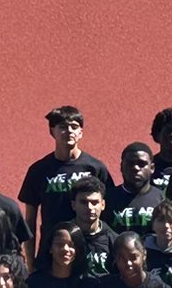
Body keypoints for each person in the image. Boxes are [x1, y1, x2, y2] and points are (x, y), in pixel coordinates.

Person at [19, 106, 111, 258]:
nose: (69, 131)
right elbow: (30, 220)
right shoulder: (39, 170)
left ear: (80, 132)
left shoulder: (95, 168)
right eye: (62, 127)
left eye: (74, 127)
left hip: (88, 249)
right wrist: (30, 260)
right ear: (52, 131)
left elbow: (107, 212)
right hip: (51, 250)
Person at [109, 143, 165, 235]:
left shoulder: (161, 200)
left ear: (152, 168)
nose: (135, 168)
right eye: (130, 164)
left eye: (142, 164)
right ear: (121, 167)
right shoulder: (108, 199)